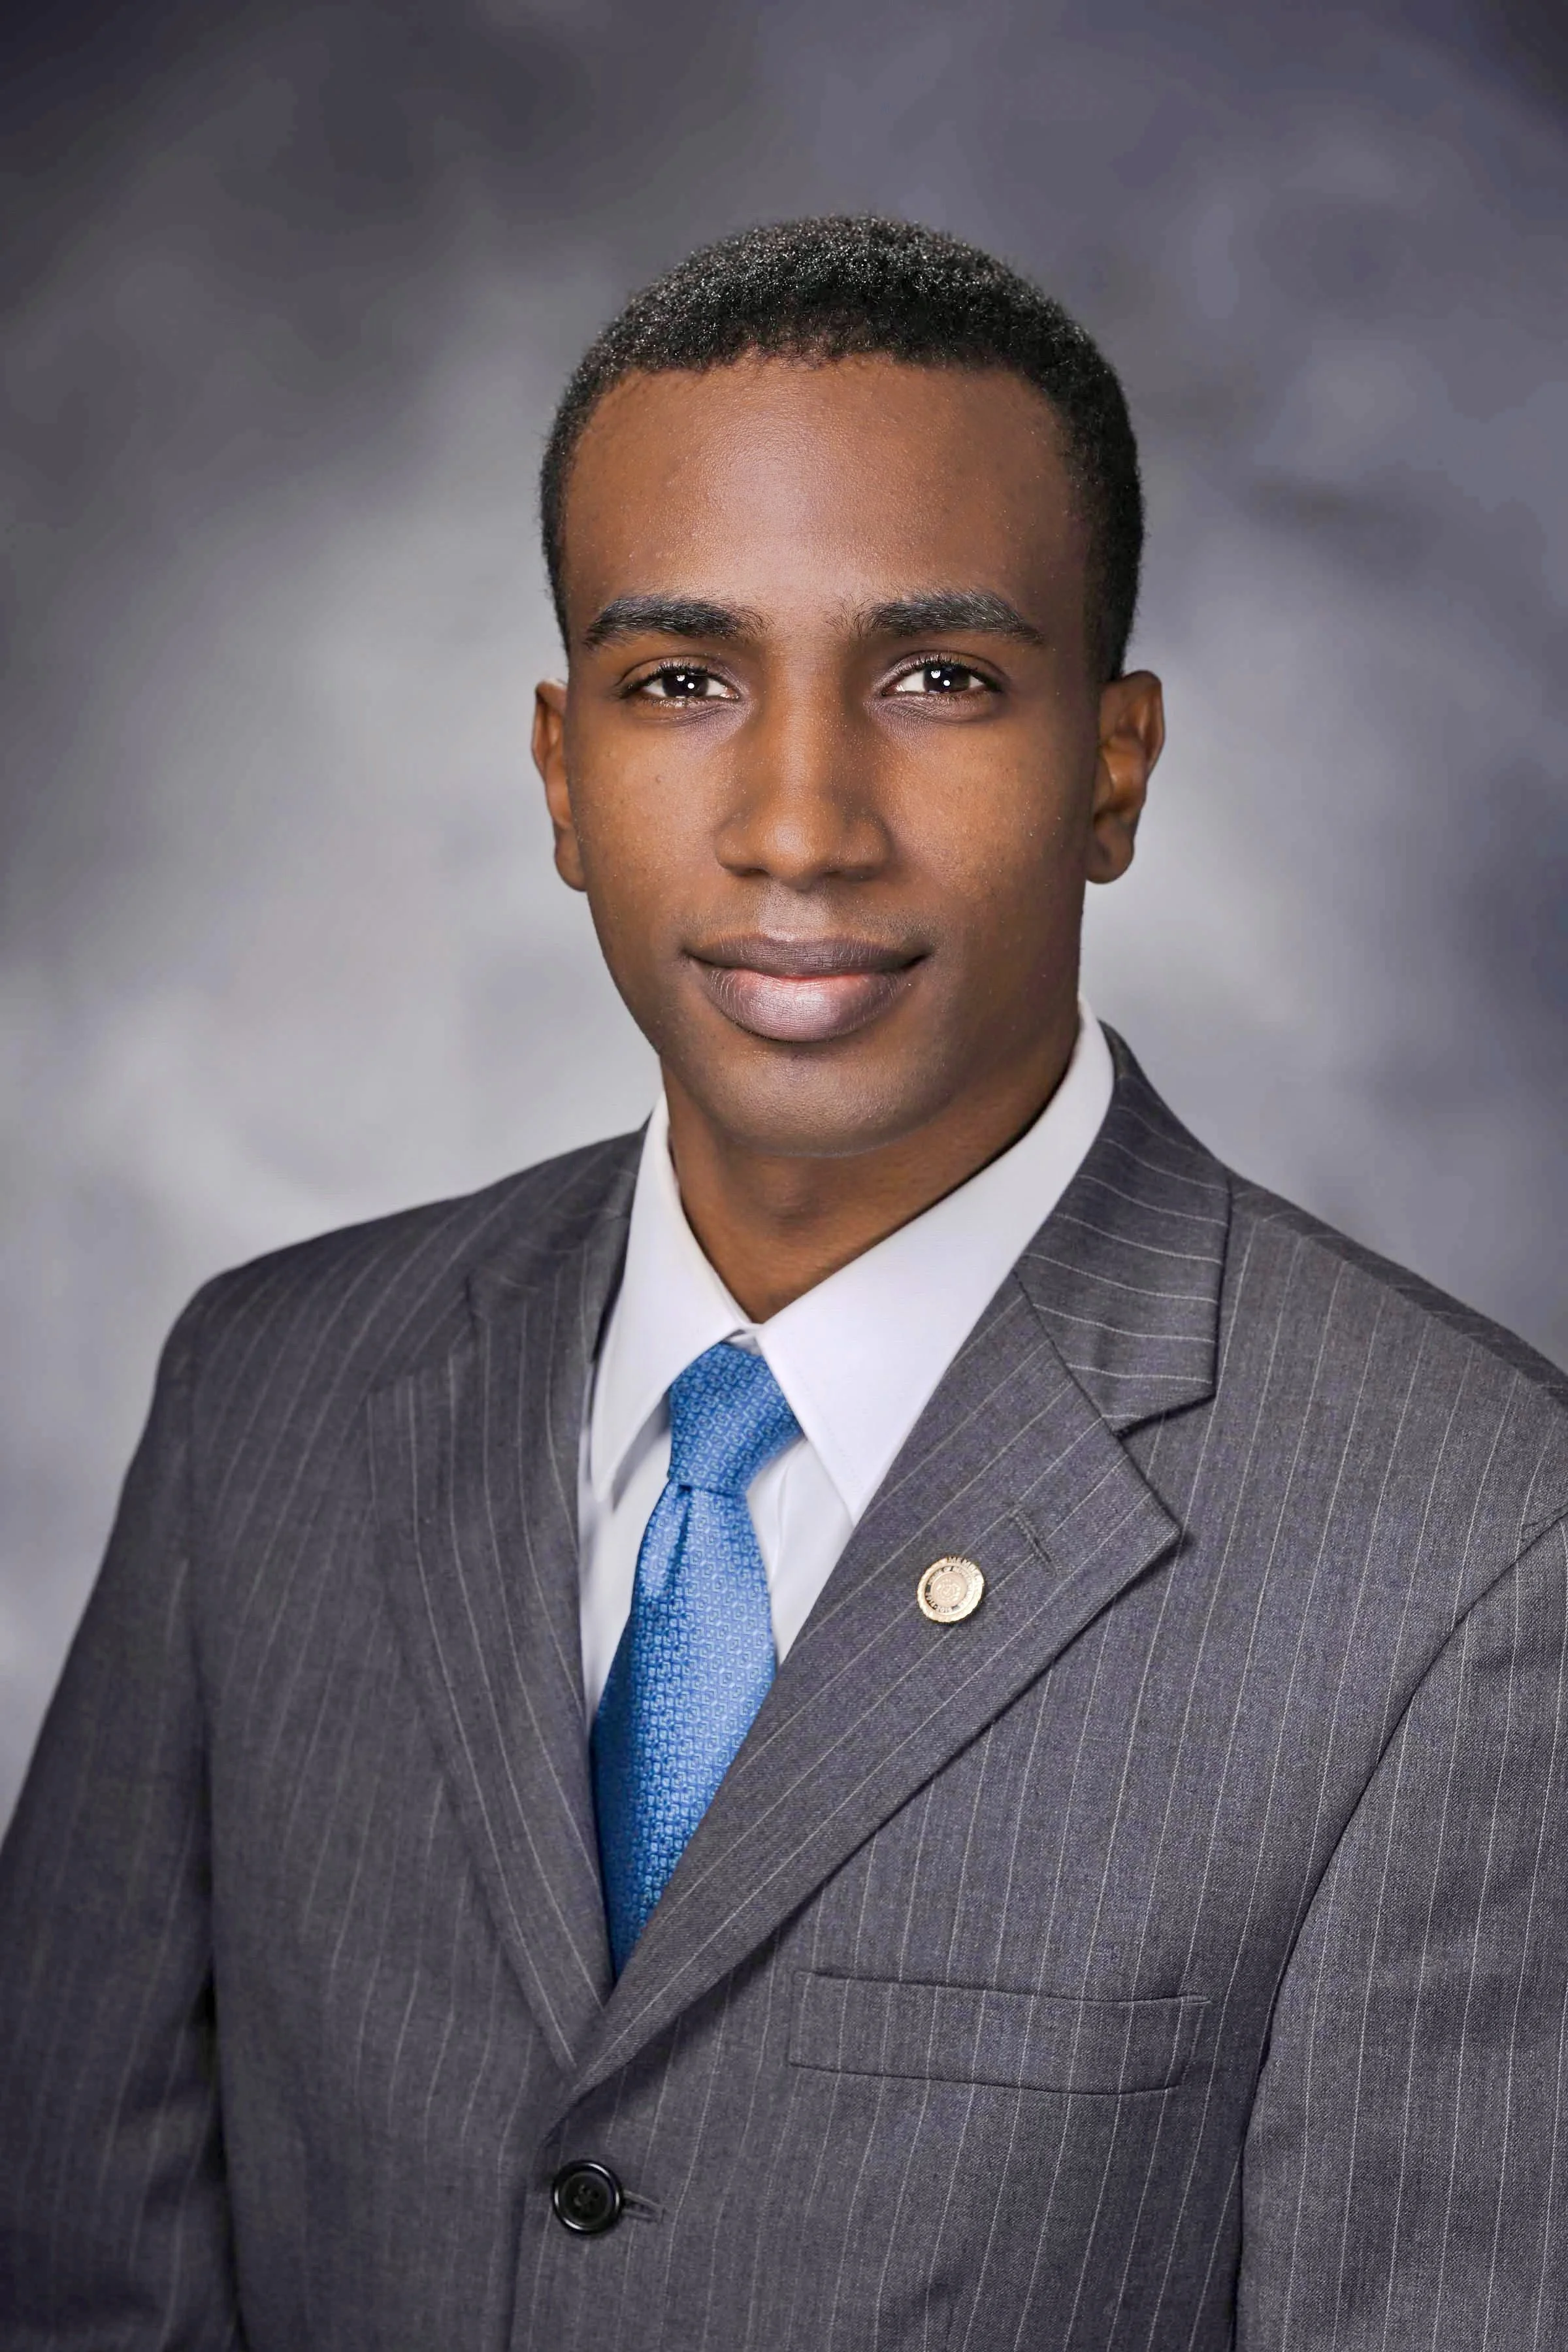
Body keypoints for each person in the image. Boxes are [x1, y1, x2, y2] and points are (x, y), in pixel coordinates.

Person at [2, 215, 1565, 2351]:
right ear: (563, 775)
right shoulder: (267, 1394)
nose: (801, 824)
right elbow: (83, 2276)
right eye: (681, 682)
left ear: (1114, 765)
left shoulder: (1470, 1553)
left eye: (939, 677)